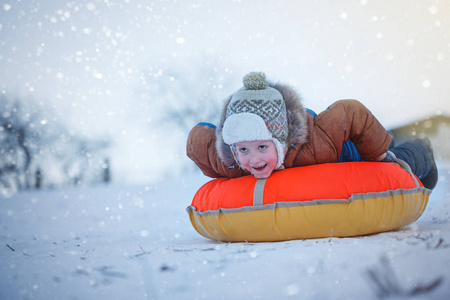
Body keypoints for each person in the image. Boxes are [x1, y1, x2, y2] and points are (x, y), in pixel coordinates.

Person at [186, 72, 438, 189]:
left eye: (262, 146)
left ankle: (422, 149)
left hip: (348, 152)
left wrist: (381, 157)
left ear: (281, 141)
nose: (253, 160)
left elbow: (350, 111)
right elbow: (198, 141)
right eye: (243, 149)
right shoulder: (231, 161)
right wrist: (223, 177)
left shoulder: (319, 138)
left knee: (400, 160)